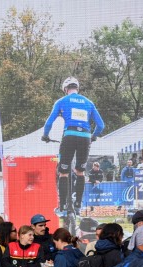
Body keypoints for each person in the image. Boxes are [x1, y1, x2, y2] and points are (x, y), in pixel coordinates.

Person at [41, 77, 105, 216]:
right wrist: (93, 136)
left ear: (65, 89)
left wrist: (45, 135)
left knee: (63, 172)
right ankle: (78, 205)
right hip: (85, 138)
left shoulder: (62, 101)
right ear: (77, 88)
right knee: (80, 172)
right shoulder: (89, 102)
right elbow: (101, 125)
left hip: (69, 136)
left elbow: (49, 123)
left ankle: (62, 206)